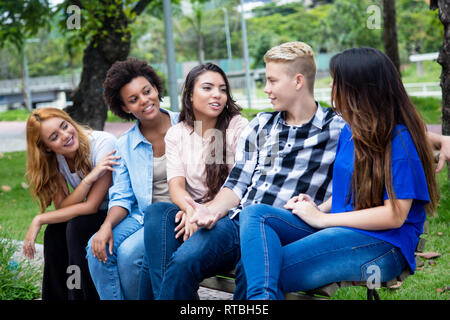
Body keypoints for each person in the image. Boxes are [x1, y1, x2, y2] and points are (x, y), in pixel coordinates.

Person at [179, 42, 450, 300]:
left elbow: (394, 215)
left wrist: (322, 220)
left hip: (381, 243)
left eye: (336, 81)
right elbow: (351, 191)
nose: (330, 86)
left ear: (359, 88)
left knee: (257, 271)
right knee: (255, 214)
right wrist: (318, 207)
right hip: (344, 230)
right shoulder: (352, 131)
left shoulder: (399, 141)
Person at [139, 62, 248, 299]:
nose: (217, 95)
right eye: (207, 88)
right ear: (189, 95)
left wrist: (202, 213)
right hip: (194, 217)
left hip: (227, 219)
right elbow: (176, 186)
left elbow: (241, 186)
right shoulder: (178, 133)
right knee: (157, 213)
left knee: (155, 260)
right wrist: (190, 210)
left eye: (222, 89)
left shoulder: (236, 126)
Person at [85, 58, 179, 300]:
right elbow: (122, 196)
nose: (144, 101)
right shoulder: (124, 144)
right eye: (133, 99)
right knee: (96, 248)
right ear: (126, 108)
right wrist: (105, 227)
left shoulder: (187, 124)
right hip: (144, 214)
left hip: (177, 214)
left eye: (147, 91)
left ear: (156, 89)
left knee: (128, 254)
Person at [23, 107, 117, 300]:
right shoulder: (55, 159)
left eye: (65, 126)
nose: (66, 136)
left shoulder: (103, 144)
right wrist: (88, 180)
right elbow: (62, 208)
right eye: (54, 137)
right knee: (54, 232)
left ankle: (79, 296)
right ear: (46, 147)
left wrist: (39, 218)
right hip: (95, 214)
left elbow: (91, 205)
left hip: (119, 212)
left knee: (76, 227)